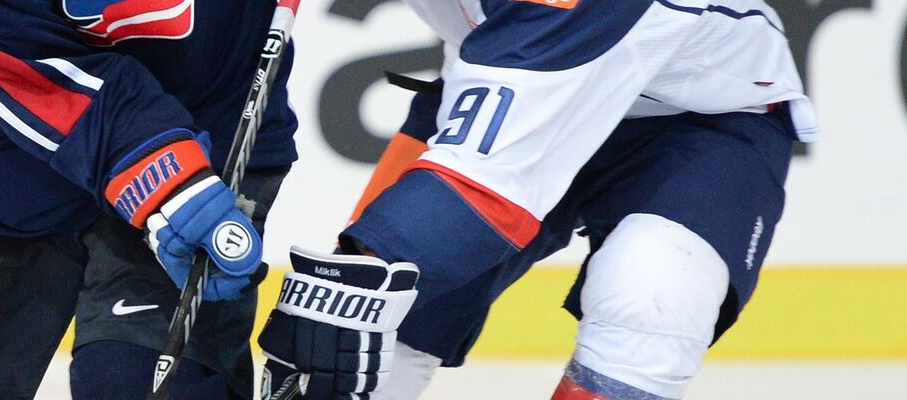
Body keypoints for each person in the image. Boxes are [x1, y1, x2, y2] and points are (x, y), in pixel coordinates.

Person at [257, 0, 817, 399]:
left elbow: (483, 187)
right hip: (494, 76)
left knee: (654, 289)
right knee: (368, 347)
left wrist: (355, 281)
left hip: (700, 114)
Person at [0, 0, 298, 399]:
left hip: (213, 136)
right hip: (20, 146)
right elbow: (12, 49)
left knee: (129, 379)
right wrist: (167, 177)